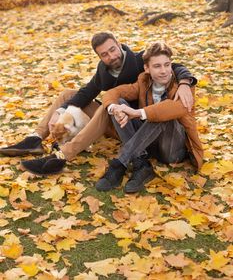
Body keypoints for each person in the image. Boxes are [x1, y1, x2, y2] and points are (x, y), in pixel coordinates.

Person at [0, 32, 196, 175]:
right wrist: (60, 111)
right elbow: (87, 91)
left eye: (112, 49)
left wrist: (186, 82)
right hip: (116, 118)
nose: (111, 56)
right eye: (104, 54)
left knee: (105, 105)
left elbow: (174, 65)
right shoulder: (104, 71)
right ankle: (35, 139)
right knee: (68, 94)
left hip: (138, 125)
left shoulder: (139, 60)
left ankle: (64, 155)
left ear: (119, 44)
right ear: (99, 56)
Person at [96, 42, 203, 193]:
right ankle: (141, 164)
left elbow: (176, 108)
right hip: (147, 143)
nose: (164, 71)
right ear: (147, 68)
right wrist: (115, 109)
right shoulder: (143, 81)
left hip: (172, 150)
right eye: (157, 66)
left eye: (167, 65)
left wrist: (139, 113)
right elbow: (112, 93)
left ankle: (121, 162)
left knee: (163, 113)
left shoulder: (184, 86)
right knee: (119, 104)